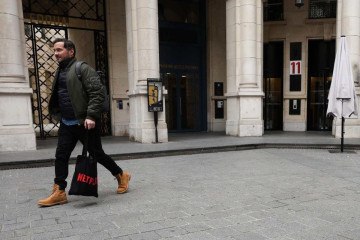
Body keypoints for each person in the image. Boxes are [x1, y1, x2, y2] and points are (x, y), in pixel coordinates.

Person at [38, 38, 131, 207]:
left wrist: (91, 115)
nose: (55, 54)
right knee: (61, 156)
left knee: (97, 154)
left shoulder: (83, 69)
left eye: (59, 50)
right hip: (67, 122)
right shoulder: (60, 71)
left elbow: (97, 93)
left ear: (71, 51)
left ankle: (121, 175)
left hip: (84, 122)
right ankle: (59, 191)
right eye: (54, 51)